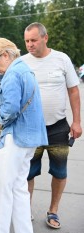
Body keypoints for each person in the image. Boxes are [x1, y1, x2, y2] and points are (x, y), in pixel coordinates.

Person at [0, 38, 48, 233]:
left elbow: (10, 109)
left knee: (3, 192)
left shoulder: (12, 74)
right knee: (19, 190)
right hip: (29, 140)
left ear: (5, 54)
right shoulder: (25, 70)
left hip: (15, 138)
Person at [22, 22, 82, 229]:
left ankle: (53, 211)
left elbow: (74, 91)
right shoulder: (21, 63)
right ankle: (25, 212)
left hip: (58, 127)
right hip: (30, 129)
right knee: (28, 172)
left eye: (34, 40)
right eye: (27, 41)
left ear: (45, 38)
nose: (30, 45)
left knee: (59, 171)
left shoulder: (61, 59)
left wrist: (76, 121)